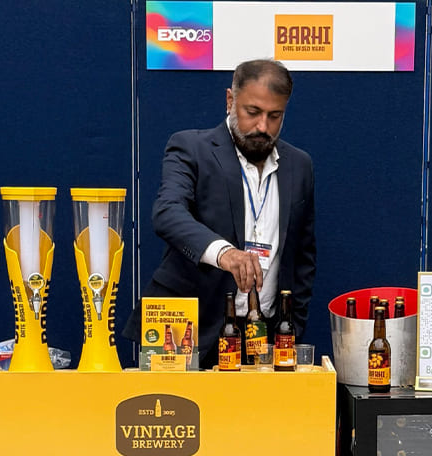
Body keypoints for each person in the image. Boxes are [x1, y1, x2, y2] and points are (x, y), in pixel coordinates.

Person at [125, 58, 317, 368]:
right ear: (230, 100)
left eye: (275, 116)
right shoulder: (190, 148)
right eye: (252, 112)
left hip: (266, 338)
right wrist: (224, 253)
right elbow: (168, 212)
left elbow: (303, 257)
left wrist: (291, 326)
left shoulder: (300, 165)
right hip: (192, 333)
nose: (262, 127)